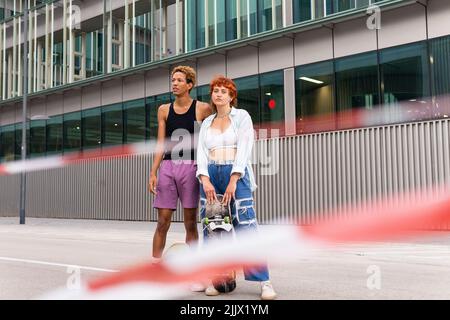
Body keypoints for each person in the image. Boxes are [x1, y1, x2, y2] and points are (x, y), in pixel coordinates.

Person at [196, 75, 278, 300]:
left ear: (232, 96)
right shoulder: (206, 122)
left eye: (224, 91)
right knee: (214, 229)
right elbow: (201, 153)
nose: (219, 94)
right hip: (211, 175)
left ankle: (264, 281)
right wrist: (204, 178)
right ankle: (219, 280)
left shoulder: (242, 117)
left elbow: (244, 147)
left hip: (236, 174)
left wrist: (234, 178)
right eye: (215, 91)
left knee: (247, 227)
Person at [148, 66, 212, 267]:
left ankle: (192, 267)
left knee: (190, 222)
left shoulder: (202, 109)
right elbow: (161, 143)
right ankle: (155, 264)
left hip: (191, 168)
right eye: (173, 80)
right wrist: (153, 171)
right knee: (162, 221)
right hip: (168, 166)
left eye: (179, 80)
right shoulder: (164, 110)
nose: (174, 83)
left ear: (190, 85)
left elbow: (208, 141)